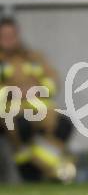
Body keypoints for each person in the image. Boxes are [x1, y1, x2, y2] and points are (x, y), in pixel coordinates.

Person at [0, 17, 74, 181]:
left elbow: (53, 81)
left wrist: (37, 89)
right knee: (22, 126)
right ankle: (51, 170)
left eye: (12, 35)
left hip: (40, 108)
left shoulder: (34, 57)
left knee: (64, 125)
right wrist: (14, 91)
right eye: (4, 36)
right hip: (9, 110)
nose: (9, 40)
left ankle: (46, 166)